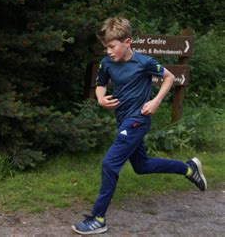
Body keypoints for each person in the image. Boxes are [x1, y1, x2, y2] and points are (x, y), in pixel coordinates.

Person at [72, 17, 207, 235]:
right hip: (123, 119)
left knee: (109, 164)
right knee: (142, 166)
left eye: (112, 46)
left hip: (138, 120)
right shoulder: (107, 63)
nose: (108, 51)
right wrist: (100, 98)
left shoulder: (144, 62)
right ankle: (189, 168)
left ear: (127, 42)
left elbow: (169, 77)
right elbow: (100, 85)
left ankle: (98, 218)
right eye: (105, 47)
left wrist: (155, 101)